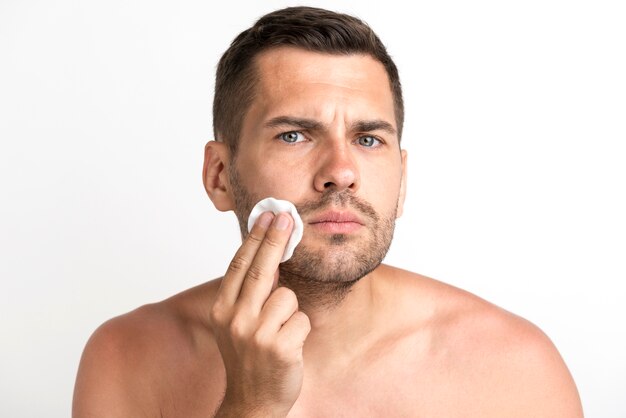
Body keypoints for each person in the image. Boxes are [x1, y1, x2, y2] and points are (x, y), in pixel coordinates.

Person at [73, 6, 583, 417]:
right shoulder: (127, 358)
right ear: (220, 176)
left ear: (401, 180)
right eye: (293, 135)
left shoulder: (513, 370)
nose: (341, 171)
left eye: (368, 138)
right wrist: (251, 406)